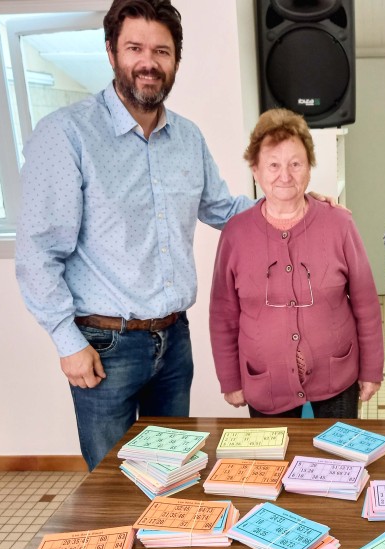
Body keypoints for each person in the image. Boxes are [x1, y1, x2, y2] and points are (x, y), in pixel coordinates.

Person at [15, 0, 257, 471]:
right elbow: (37, 251)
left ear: (176, 61)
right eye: (135, 48)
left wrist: (292, 206)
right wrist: (67, 341)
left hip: (174, 341)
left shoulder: (188, 138)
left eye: (161, 51)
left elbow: (223, 209)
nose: (149, 62)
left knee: (172, 473)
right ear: (111, 52)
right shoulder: (67, 134)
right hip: (104, 347)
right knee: (112, 484)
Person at [209, 108, 383, 418]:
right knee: (274, 451)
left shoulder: (340, 224)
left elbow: (366, 303)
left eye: (295, 164)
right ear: (255, 170)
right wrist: (230, 379)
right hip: (265, 380)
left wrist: (371, 370)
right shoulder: (235, 234)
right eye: (273, 165)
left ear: (309, 168)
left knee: (337, 449)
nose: (285, 175)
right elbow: (223, 315)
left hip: (337, 375)